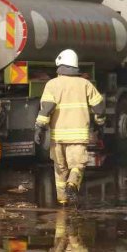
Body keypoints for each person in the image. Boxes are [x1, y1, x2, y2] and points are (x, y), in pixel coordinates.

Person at [34, 49, 105, 207]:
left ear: (59, 65)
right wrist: (100, 123)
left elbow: (46, 108)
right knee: (77, 165)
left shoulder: (51, 84)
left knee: (60, 169)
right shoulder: (85, 84)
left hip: (58, 137)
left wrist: (39, 127)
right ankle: (72, 184)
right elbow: (99, 107)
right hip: (78, 137)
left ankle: (62, 200)